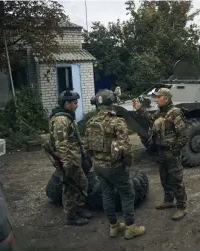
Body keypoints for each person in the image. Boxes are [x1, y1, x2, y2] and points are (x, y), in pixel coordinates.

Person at [84, 89, 145, 239]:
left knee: (107, 194)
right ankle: (130, 228)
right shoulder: (117, 121)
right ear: (111, 103)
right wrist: (128, 163)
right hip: (115, 166)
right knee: (127, 194)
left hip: (98, 166)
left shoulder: (91, 122)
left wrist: (94, 160)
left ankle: (113, 226)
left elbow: (86, 146)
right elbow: (126, 147)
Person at [132, 88, 188, 220]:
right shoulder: (160, 112)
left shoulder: (175, 113)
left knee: (176, 180)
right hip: (161, 151)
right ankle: (168, 200)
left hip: (171, 153)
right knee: (164, 178)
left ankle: (182, 206)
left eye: (159, 97)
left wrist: (175, 151)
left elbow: (183, 136)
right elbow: (151, 119)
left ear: (166, 98)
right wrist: (139, 109)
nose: (156, 100)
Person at [49, 90, 92, 226]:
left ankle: (78, 209)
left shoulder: (67, 117)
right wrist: (66, 165)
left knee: (82, 184)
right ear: (67, 103)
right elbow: (61, 145)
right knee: (70, 188)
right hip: (69, 161)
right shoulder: (61, 120)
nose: (77, 105)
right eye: (74, 103)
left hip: (74, 159)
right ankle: (71, 216)